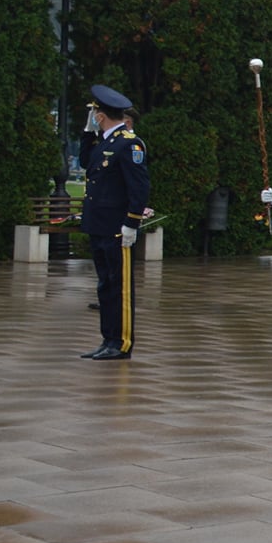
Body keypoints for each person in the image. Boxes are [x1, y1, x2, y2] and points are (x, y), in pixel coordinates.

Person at [78, 86, 150, 360]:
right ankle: (107, 339)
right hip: (99, 225)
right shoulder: (105, 142)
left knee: (120, 286)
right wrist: (87, 134)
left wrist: (132, 223)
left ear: (101, 115)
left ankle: (121, 342)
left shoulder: (129, 143)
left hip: (118, 228)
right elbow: (87, 162)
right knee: (105, 285)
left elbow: (139, 188)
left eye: (95, 113)